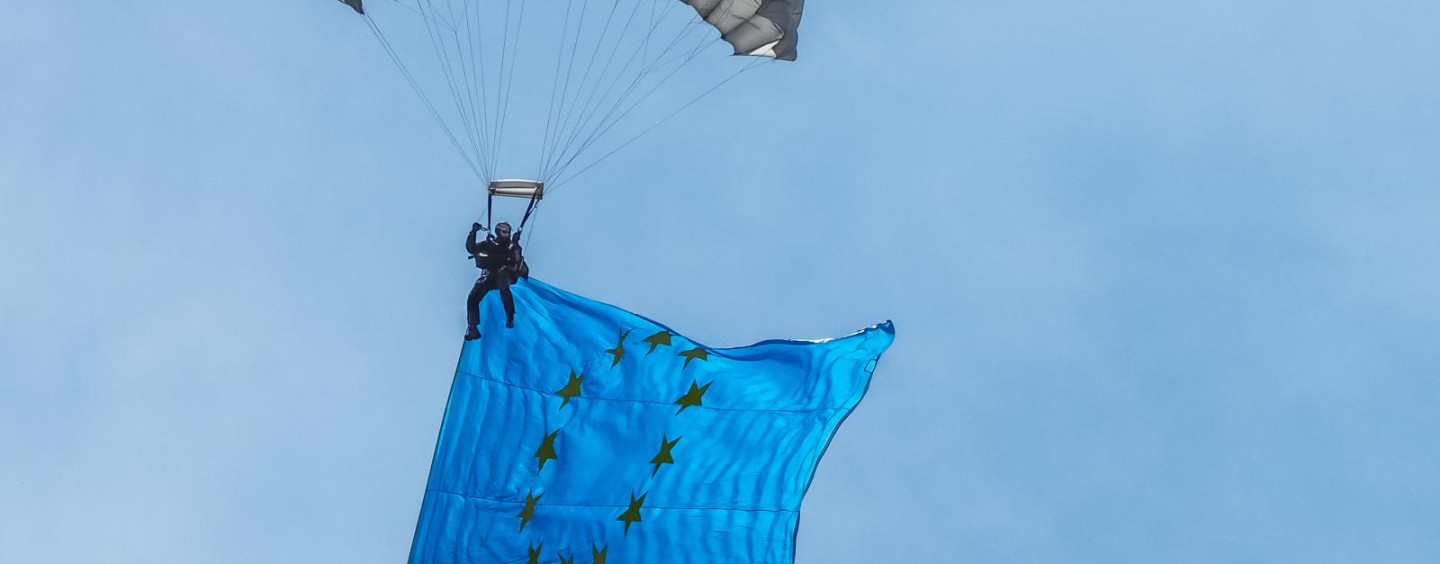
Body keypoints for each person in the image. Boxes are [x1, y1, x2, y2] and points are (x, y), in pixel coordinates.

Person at [465, 221, 529, 340]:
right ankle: (472, 327)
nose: (507, 234)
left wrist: (515, 242)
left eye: (508, 231)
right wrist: (473, 232)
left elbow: (517, 258)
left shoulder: (512, 246)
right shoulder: (489, 244)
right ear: (498, 232)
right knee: (473, 297)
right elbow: (472, 249)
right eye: (504, 231)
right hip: (491, 276)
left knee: (503, 281)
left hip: (506, 274)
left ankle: (510, 317)